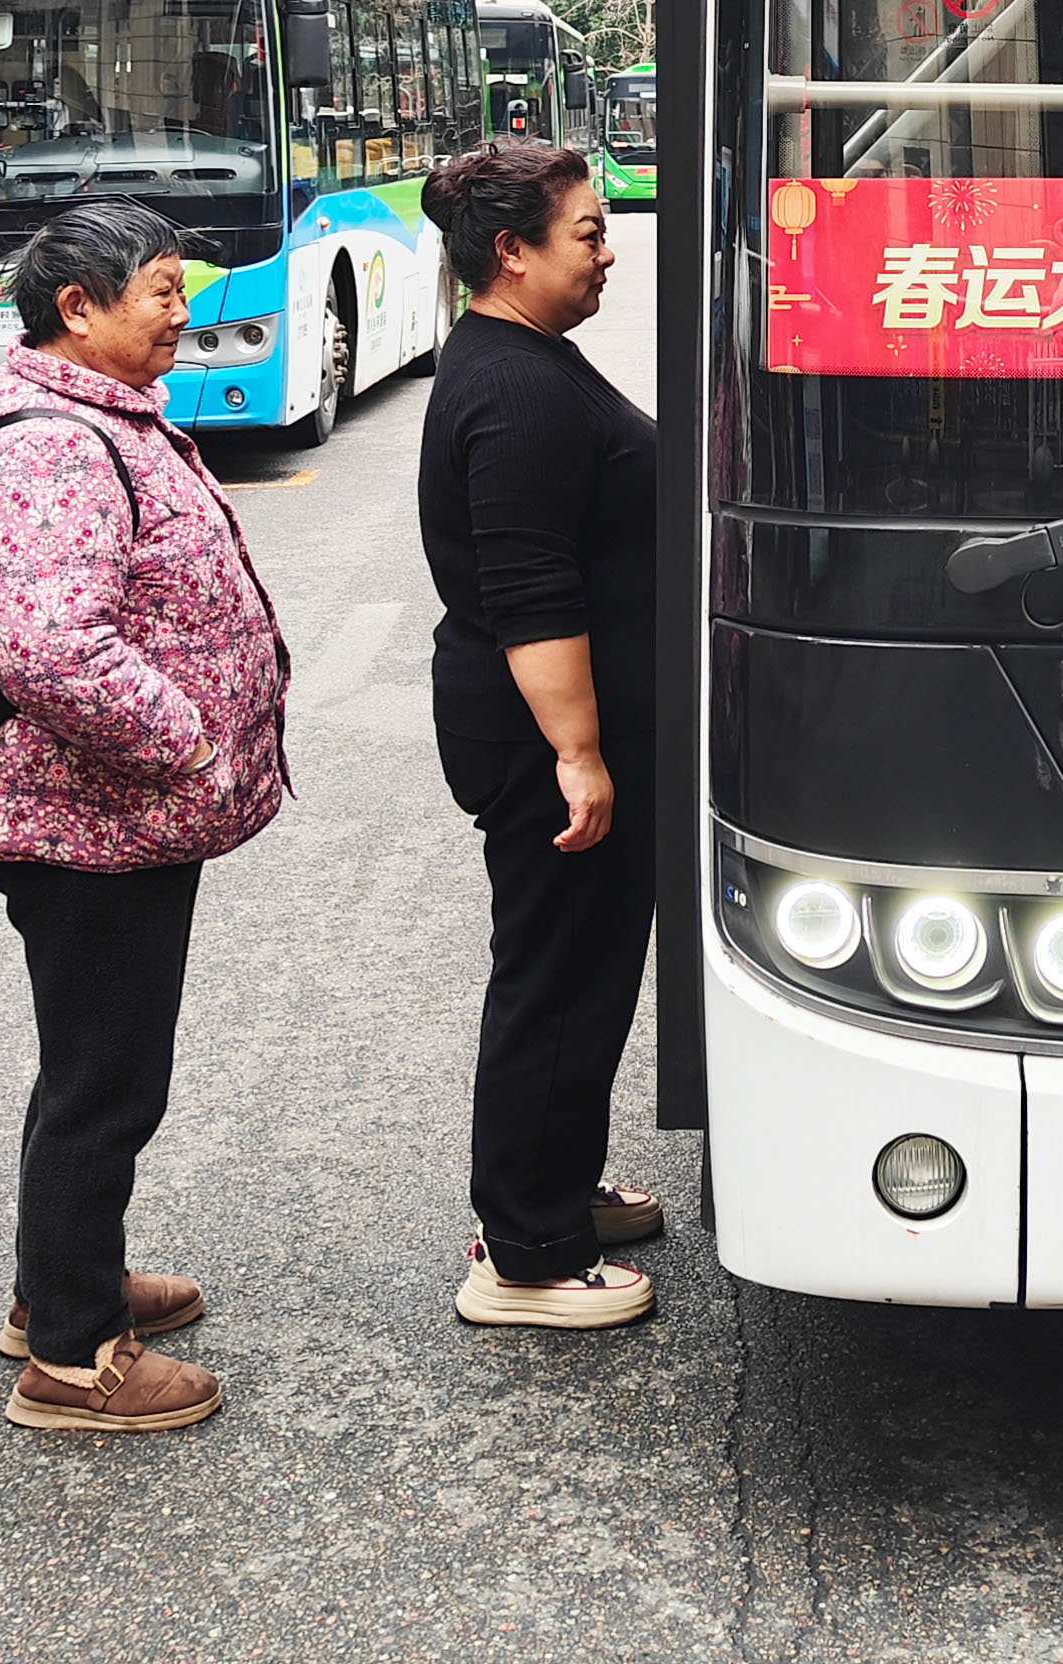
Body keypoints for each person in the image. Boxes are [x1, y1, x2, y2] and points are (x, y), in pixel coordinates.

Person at [0, 198, 289, 1434]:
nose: (184, 315)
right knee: (106, 1081)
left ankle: (59, 1283)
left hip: (109, 814)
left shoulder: (96, 411)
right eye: (162, 293)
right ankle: (74, 1356)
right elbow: (51, 647)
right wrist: (184, 739)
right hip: (88, 819)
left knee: (90, 1065)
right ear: (77, 310)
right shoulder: (53, 449)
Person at [416, 140, 663, 1329]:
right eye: (588, 233)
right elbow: (530, 594)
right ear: (511, 251)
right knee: (557, 975)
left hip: (558, 733)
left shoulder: (523, 357)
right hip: (539, 744)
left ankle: (555, 1185)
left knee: (582, 968)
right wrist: (579, 753)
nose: (607, 252)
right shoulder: (516, 388)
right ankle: (524, 1253)